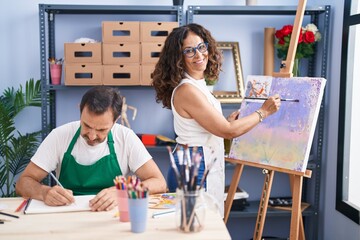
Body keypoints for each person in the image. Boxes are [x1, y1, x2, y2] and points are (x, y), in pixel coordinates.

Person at [152, 23, 281, 216]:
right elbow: (227, 130)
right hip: (194, 165)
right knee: (198, 230)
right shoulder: (187, 90)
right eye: (189, 51)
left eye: (201, 47)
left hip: (198, 161)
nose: (199, 55)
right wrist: (263, 112)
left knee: (205, 225)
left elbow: (212, 127)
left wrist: (227, 121)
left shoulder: (198, 85)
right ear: (178, 58)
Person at [16, 86, 166, 211]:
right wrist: (44, 192)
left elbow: (159, 182)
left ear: (115, 121)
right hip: (67, 214)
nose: (92, 136)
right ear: (80, 111)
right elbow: (23, 183)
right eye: (86, 125)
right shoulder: (59, 136)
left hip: (111, 217)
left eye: (101, 130)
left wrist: (124, 192)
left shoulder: (126, 137)